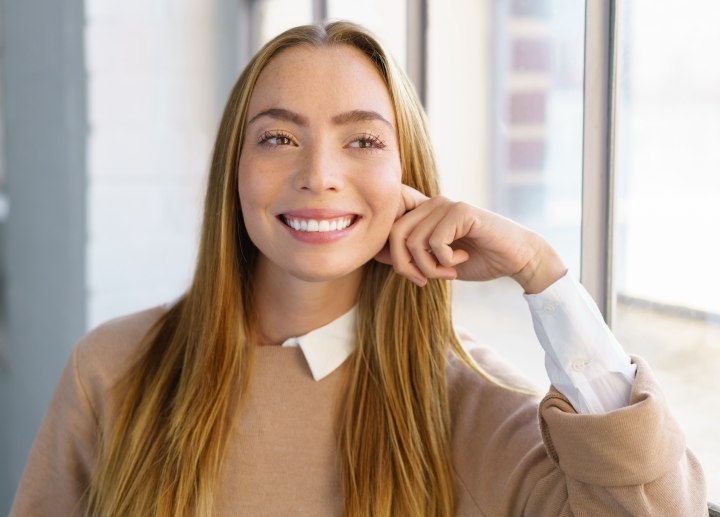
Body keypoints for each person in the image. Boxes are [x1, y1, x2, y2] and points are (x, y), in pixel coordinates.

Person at [11, 21, 707, 516]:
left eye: (362, 140)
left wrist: (544, 274)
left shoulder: (465, 403)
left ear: (408, 175)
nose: (319, 174)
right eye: (279, 137)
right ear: (236, 169)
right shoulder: (112, 367)